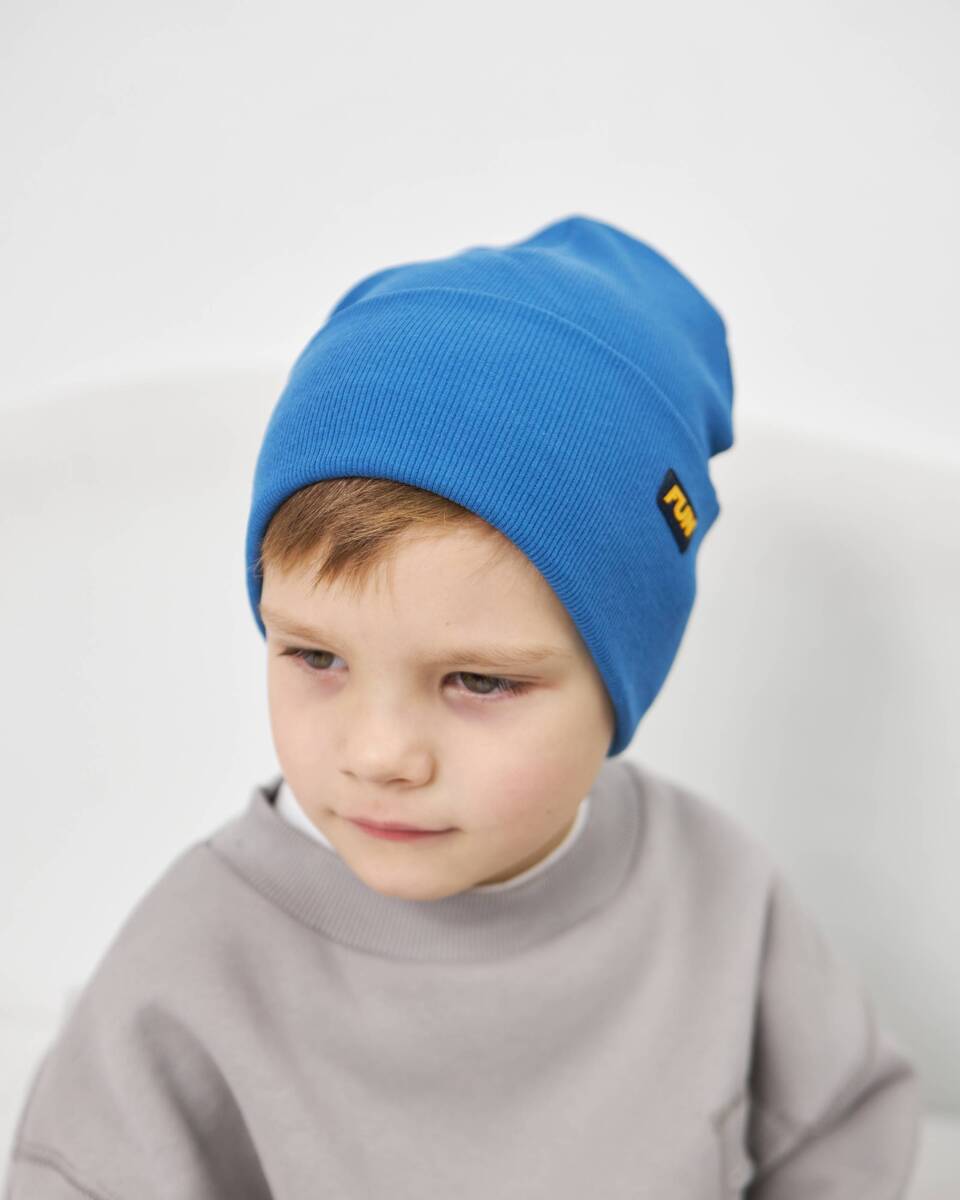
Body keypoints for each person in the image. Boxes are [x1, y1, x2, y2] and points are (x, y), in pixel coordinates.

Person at [4, 215, 921, 1198]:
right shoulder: (189, 975)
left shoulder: (718, 899)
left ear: (624, 680)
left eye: (478, 681)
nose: (380, 753)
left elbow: (844, 1131)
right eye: (316, 656)